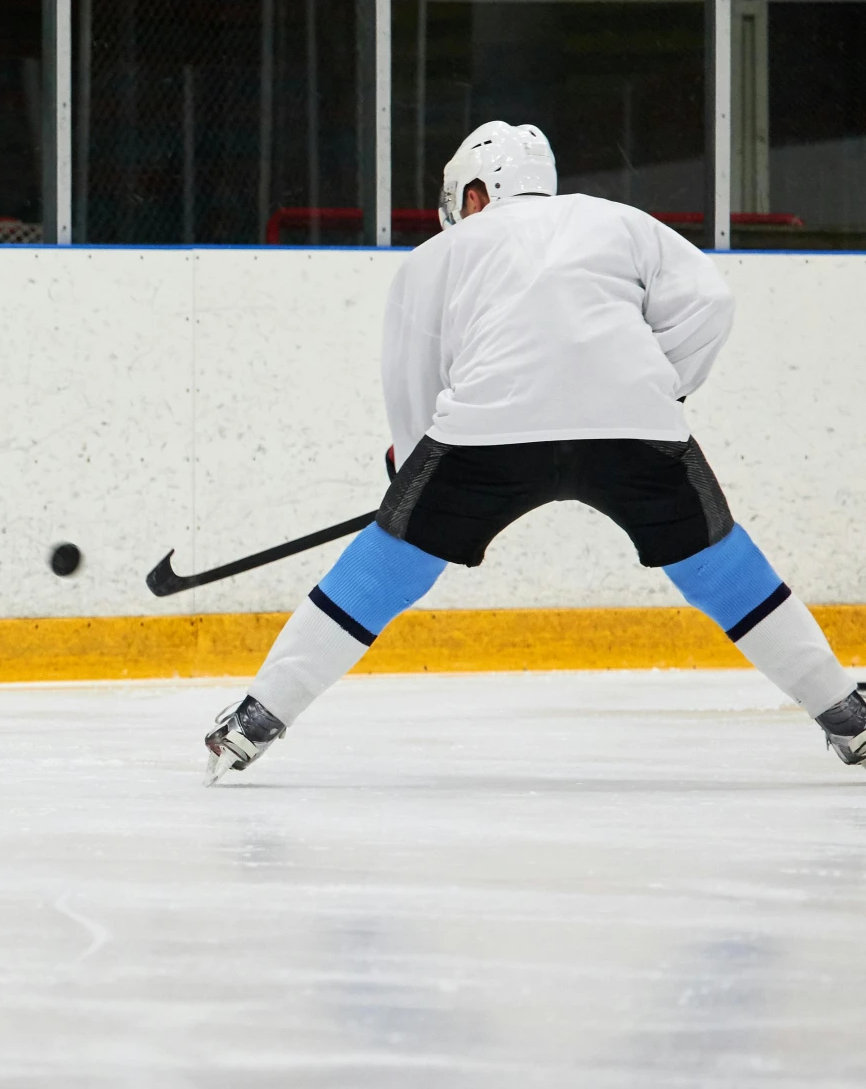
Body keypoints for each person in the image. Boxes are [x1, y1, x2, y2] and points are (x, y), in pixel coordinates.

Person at [203, 120, 862, 783]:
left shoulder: (441, 254)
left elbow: (412, 373)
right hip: (634, 422)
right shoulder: (620, 222)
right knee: (718, 564)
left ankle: (254, 722)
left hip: (484, 433)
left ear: (482, 192)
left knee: (387, 568)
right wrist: (658, 384)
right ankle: (847, 716)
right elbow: (709, 301)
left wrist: (409, 470)